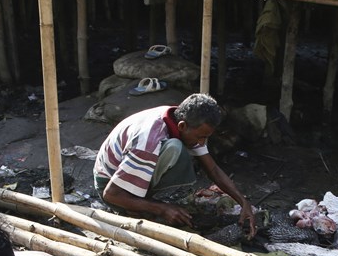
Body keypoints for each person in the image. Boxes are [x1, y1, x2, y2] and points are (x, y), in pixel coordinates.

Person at [93, 93, 257, 236]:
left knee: (177, 151)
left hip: (121, 181)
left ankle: (142, 203)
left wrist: (243, 202)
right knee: (175, 149)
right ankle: (134, 205)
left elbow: (212, 169)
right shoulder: (149, 140)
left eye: (206, 137)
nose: (202, 142)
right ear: (182, 126)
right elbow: (110, 194)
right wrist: (162, 209)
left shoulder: (181, 118)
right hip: (110, 188)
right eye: (200, 137)